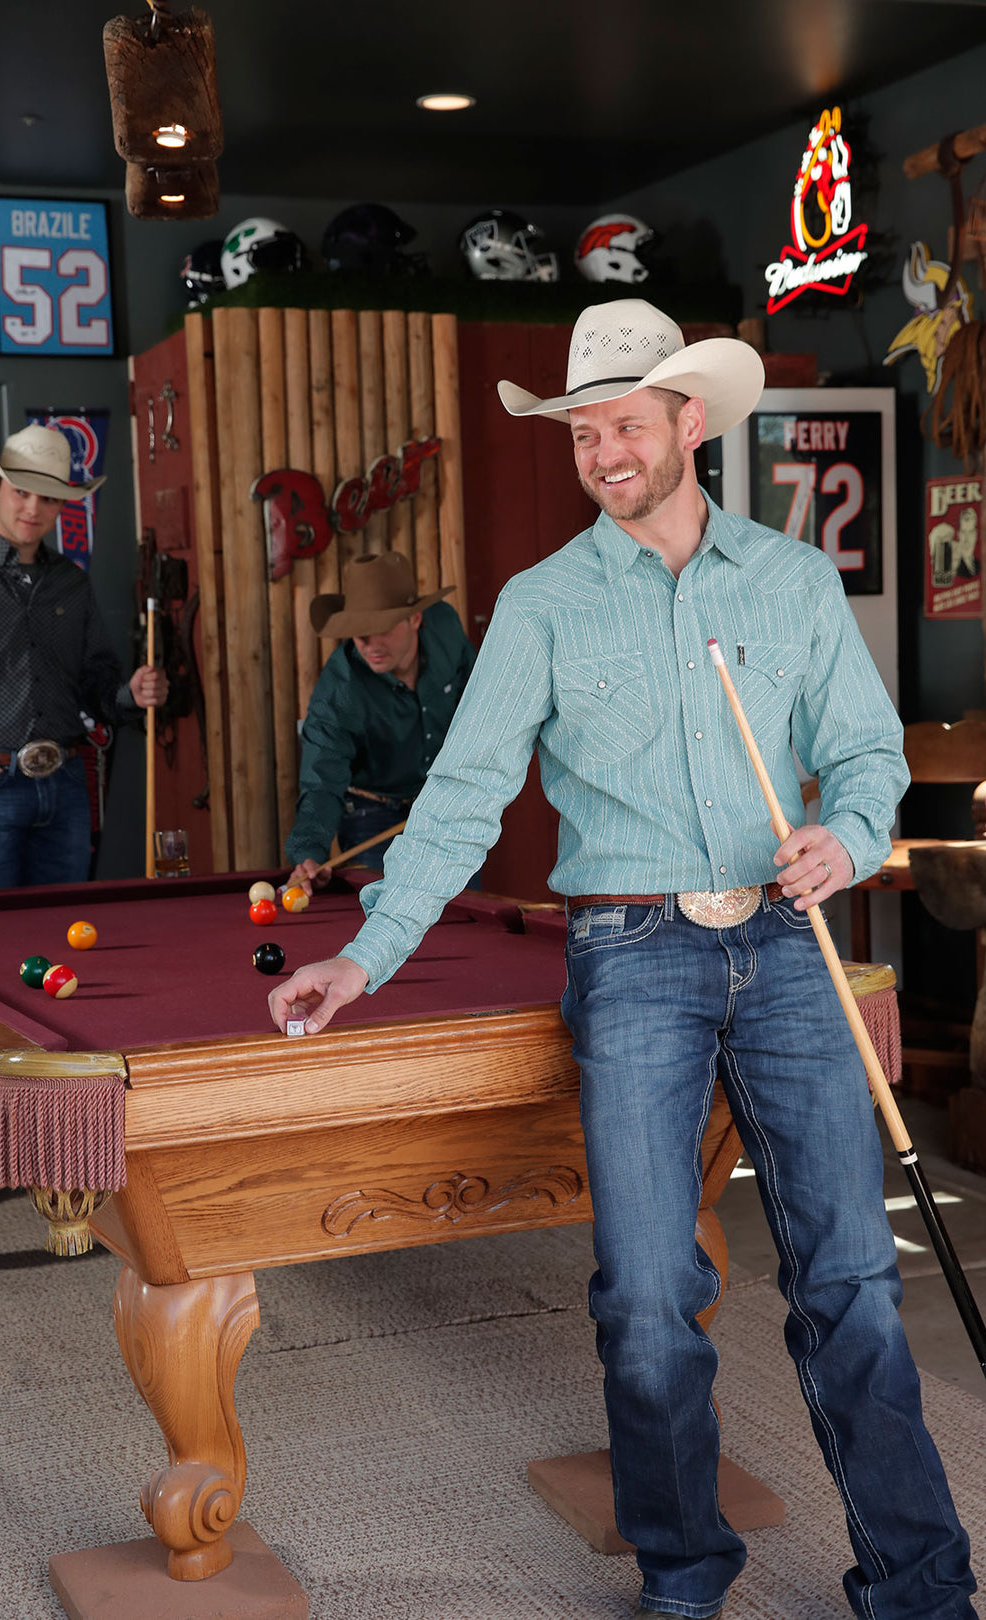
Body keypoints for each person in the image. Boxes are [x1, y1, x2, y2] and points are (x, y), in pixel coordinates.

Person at [269, 298, 979, 1620]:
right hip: (632, 950)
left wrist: (852, 833)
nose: (601, 450)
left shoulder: (791, 582)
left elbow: (870, 752)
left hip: (785, 936)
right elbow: (464, 801)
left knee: (853, 1285)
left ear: (688, 424)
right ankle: (683, 1576)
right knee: (650, 1298)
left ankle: (923, 1588)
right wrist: (364, 960)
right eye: (584, 429)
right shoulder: (539, 607)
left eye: (624, 425)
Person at [0, 424, 167, 889]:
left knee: (65, 933)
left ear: (61, 506)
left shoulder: (72, 582)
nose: (33, 509)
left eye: (48, 498)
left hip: (66, 787)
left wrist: (132, 694)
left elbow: (98, 687)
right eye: (22, 491)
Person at [284, 549, 476, 892]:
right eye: (358, 631)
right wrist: (309, 852)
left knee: (462, 918)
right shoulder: (340, 689)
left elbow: (479, 698)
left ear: (415, 619)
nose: (368, 644)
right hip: (372, 816)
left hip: (445, 808)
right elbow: (321, 780)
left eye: (381, 629)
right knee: (387, 923)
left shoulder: (445, 629)